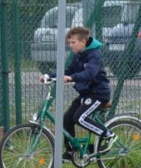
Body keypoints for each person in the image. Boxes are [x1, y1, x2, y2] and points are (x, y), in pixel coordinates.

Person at [41, 26, 114, 160]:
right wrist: (48, 75)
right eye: (69, 43)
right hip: (86, 94)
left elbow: (90, 73)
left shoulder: (94, 55)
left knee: (80, 118)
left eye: (73, 42)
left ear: (83, 42)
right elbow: (67, 71)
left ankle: (107, 134)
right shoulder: (78, 56)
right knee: (66, 118)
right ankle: (71, 151)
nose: (71, 45)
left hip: (98, 94)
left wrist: (72, 78)